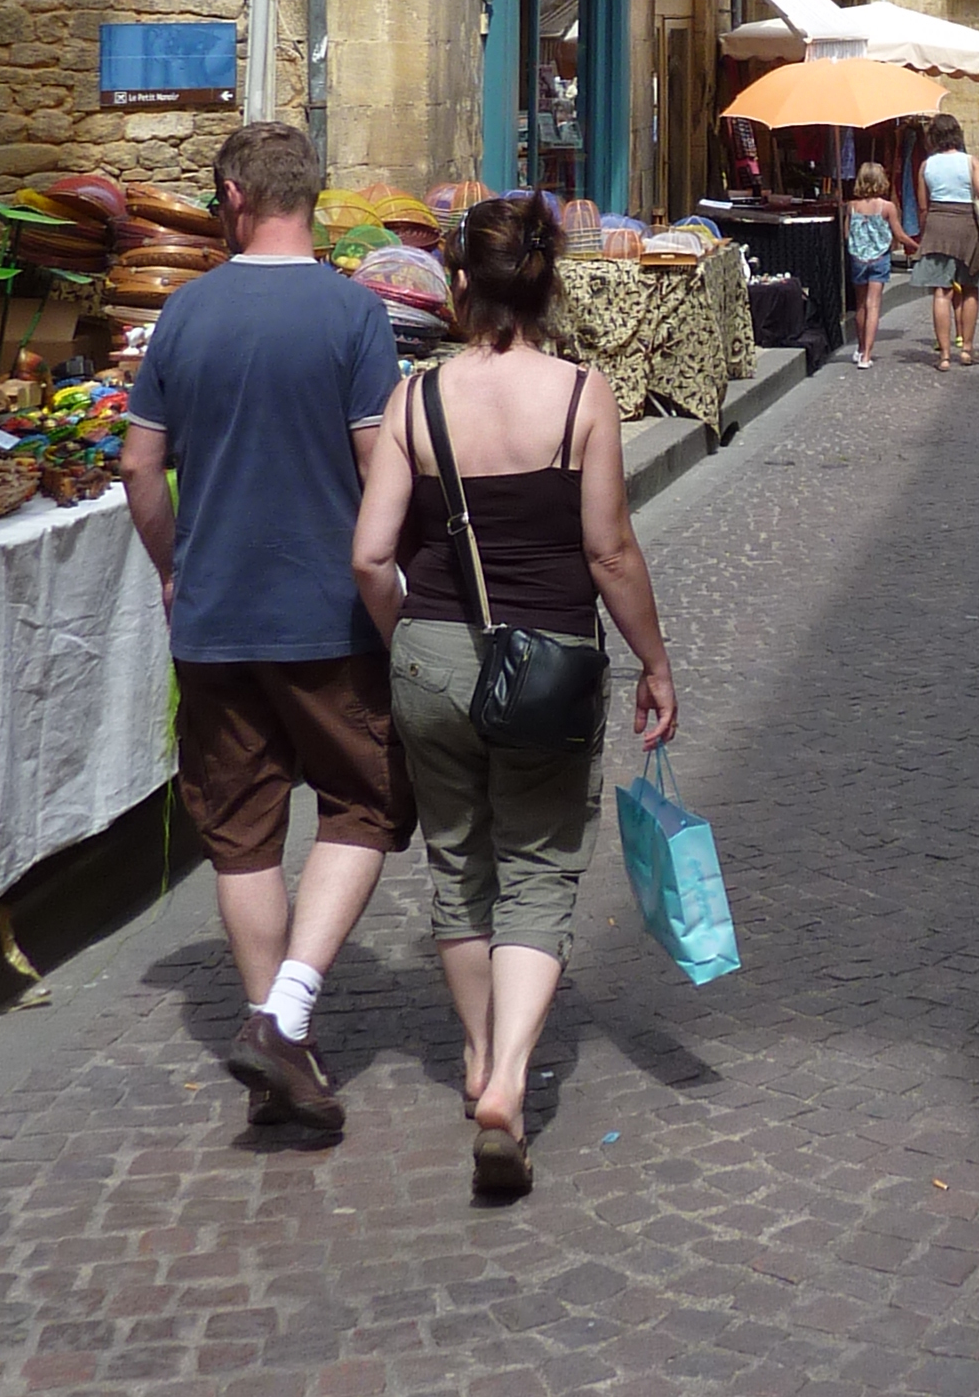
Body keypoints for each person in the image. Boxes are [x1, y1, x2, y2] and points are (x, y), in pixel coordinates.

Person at [351, 193, 677, 1201]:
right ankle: (507, 1083)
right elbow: (609, 549)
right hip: (547, 661)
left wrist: (403, 642)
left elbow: (369, 555)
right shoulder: (584, 396)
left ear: (461, 289)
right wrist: (656, 663)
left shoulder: (416, 401)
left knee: (459, 864)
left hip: (432, 655)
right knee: (538, 869)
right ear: (546, 286)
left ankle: (479, 1050)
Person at [116, 119, 415, 1140]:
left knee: (239, 829)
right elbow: (381, 463)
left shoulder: (184, 314)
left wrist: (171, 569)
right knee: (365, 805)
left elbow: (136, 468)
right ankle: (287, 1015)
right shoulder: (352, 312)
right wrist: (391, 585)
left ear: (234, 199)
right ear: (310, 200)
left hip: (216, 615)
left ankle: (276, 1030)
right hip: (325, 610)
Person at [909, 114, 979, 367]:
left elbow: (922, 205)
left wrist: (925, 230)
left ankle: (943, 355)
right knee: (970, 287)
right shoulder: (970, 162)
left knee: (941, 292)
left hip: (937, 224)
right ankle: (967, 349)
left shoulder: (926, 166)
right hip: (965, 225)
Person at [845, 159, 899, 366]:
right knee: (873, 304)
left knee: (860, 304)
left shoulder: (852, 206)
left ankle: (860, 348)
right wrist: (915, 245)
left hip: (858, 258)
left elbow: (846, 233)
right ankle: (867, 355)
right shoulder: (887, 207)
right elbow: (898, 233)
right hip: (879, 257)